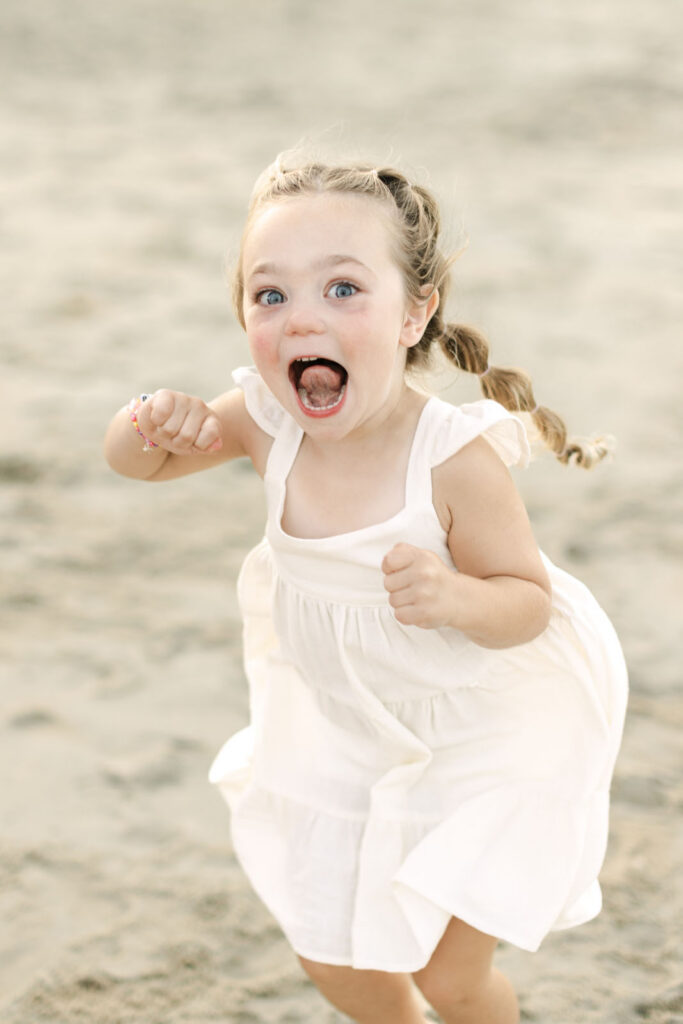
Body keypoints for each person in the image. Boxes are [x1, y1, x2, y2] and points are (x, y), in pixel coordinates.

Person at [104, 158, 628, 1024]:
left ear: (413, 313)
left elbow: (526, 601)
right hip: (340, 731)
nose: (302, 315)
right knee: (334, 955)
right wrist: (146, 418)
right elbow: (140, 463)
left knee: (447, 977)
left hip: (473, 738)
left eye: (342, 288)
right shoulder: (267, 425)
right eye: (270, 297)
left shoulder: (451, 461)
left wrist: (458, 597)